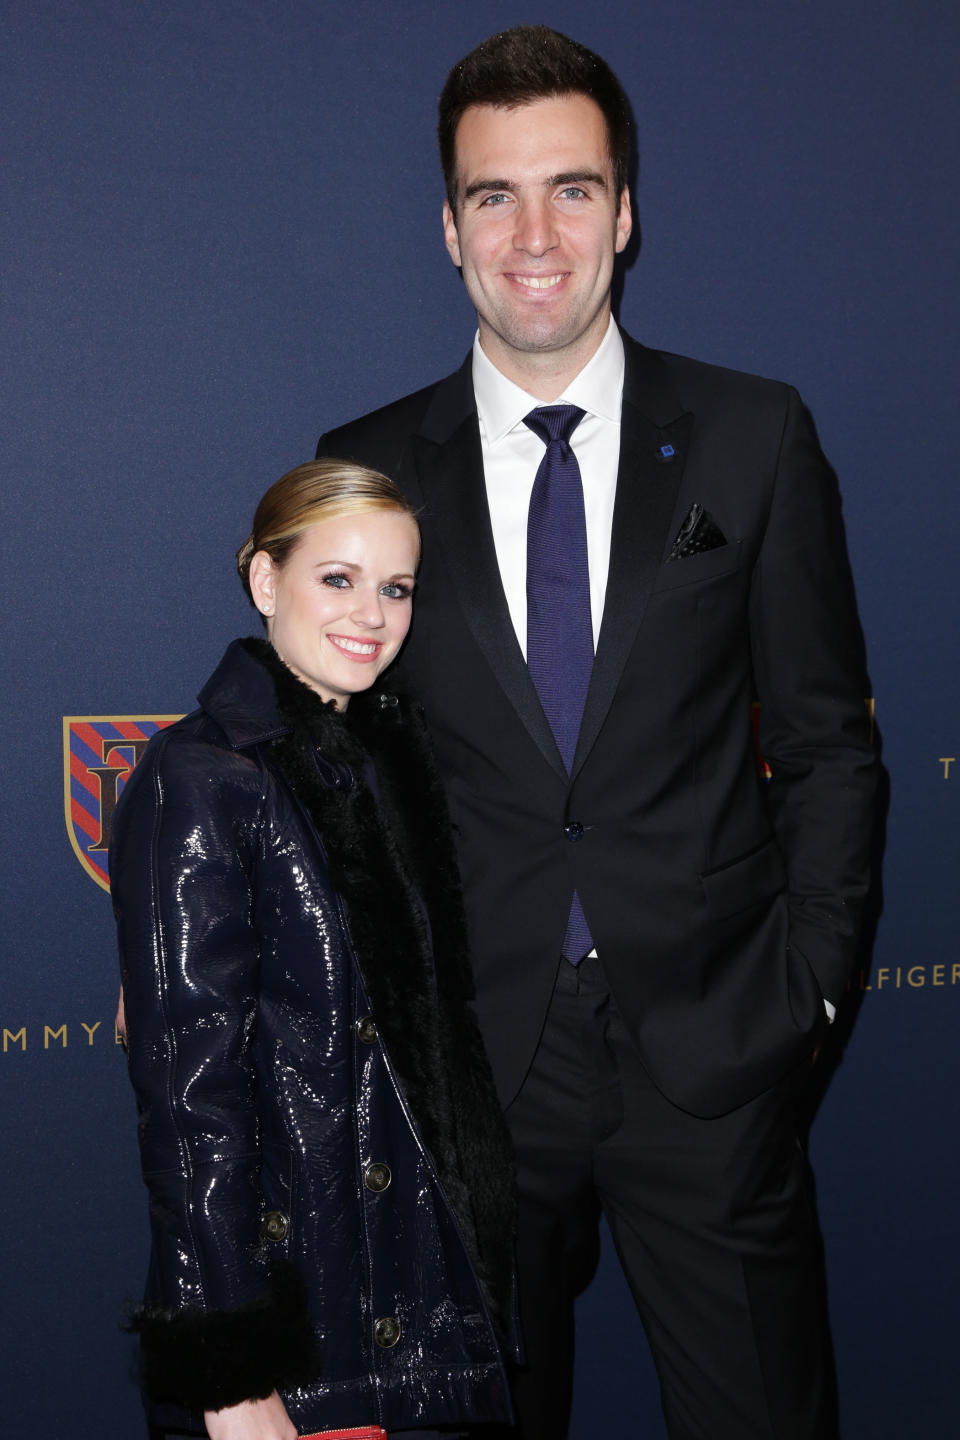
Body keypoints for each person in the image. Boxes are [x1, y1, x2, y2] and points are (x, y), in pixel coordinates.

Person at [315, 25, 877, 1440]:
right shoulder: (369, 467)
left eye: (572, 188)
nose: (536, 234)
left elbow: (827, 743)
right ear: (448, 228)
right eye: (494, 195)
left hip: (715, 1051)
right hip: (476, 1073)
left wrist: (808, 991)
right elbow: (325, 762)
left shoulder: (755, 436)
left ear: (626, 211)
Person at [110, 460, 516, 1440]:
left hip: (421, 1307)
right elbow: (191, 1097)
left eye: (396, 587)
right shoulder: (201, 777)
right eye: (337, 578)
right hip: (307, 1334)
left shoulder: (393, 773)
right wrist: (230, 1370)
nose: (370, 613)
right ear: (264, 582)